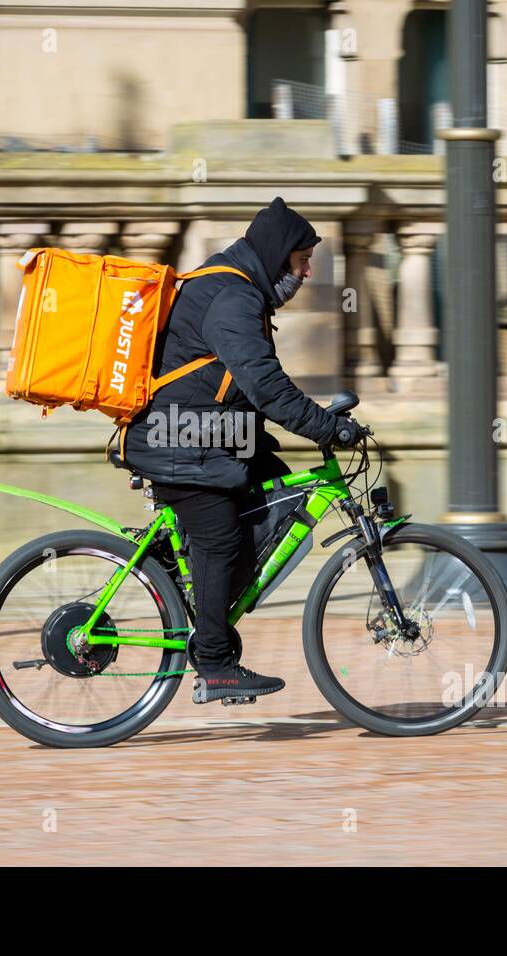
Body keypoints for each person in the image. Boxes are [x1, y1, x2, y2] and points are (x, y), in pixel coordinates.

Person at [115, 197, 363, 703]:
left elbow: (240, 388)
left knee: (275, 494)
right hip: (175, 440)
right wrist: (325, 428)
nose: (307, 272)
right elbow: (265, 388)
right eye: (301, 261)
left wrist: (314, 423)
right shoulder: (233, 297)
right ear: (276, 257)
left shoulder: (234, 288)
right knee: (221, 539)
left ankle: (178, 577)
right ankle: (214, 662)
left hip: (201, 435)